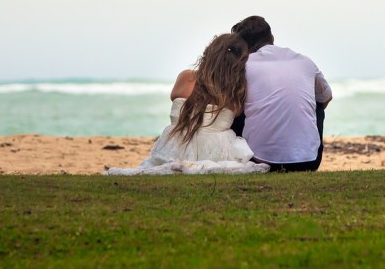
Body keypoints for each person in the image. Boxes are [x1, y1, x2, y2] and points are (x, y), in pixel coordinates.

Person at [105, 33, 269, 175]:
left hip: (177, 145)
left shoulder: (185, 77)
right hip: (216, 149)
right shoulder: (235, 91)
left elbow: (175, 96)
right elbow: (238, 113)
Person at [231, 16, 332, 172]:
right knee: (318, 103)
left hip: (258, 161)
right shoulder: (304, 61)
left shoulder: (243, 66)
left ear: (244, 45)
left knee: (235, 105)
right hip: (309, 161)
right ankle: (301, 150)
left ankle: (246, 154)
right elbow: (326, 98)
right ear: (272, 37)